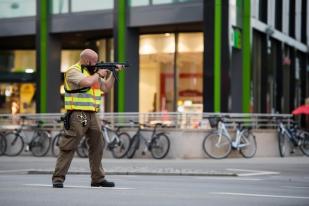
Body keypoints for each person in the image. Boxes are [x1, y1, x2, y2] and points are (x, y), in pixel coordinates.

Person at [52, 49, 120, 188]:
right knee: (70, 144)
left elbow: (106, 88)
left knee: (97, 145)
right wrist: (98, 73)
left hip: (92, 114)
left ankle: (98, 178)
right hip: (79, 113)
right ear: (87, 60)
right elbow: (86, 82)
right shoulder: (73, 71)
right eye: (95, 61)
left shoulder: (92, 73)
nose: (97, 64)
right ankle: (58, 178)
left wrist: (113, 73)